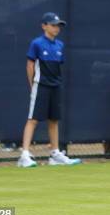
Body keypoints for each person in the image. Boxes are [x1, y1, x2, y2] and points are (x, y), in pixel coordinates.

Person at [17, 12, 81, 168]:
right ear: (44, 26)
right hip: (40, 85)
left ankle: (55, 154)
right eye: (53, 25)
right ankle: (24, 155)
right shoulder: (36, 44)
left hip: (55, 86)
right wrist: (33, 85)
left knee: (54, 120)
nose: (56, 28)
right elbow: (30, 65)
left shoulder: (60, 45)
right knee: (33, 119)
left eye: (58, 25)